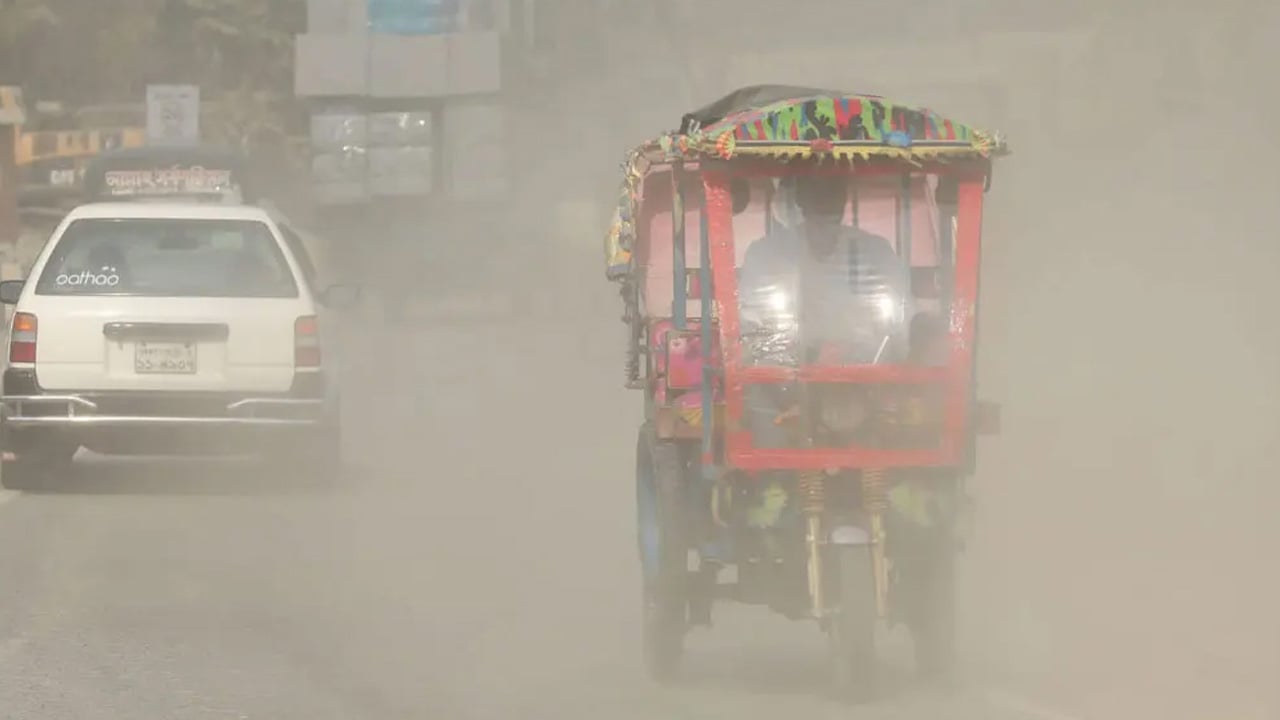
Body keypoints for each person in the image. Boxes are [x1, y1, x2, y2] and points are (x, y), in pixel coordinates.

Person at [737, 173, 911, 447]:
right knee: (759, 396)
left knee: (902, 416)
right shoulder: (767, 253)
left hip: (863, 371)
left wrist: (859, 354)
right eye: (817, 193)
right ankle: (774, 476)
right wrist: (804, 354)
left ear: (842, 200)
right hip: (788, 375)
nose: (825, 202)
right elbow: (753, 325)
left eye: (832, 192)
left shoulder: (875, 252)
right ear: (800, 202)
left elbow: (895, 319)